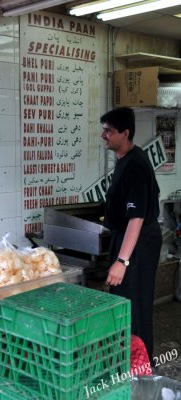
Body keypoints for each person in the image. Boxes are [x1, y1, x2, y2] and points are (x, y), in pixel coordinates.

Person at [100, 106, 162, 365]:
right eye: (103, 130)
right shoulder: (125, 159)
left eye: (109, 131)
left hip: (138, 245)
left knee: (133, 306)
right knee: (126, 305)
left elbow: (136, 218)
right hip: (129, 238)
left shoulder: (135, 164)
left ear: (124, 133)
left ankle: (139, 370)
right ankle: (130, 363)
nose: (104, 135)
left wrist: (122, 261)